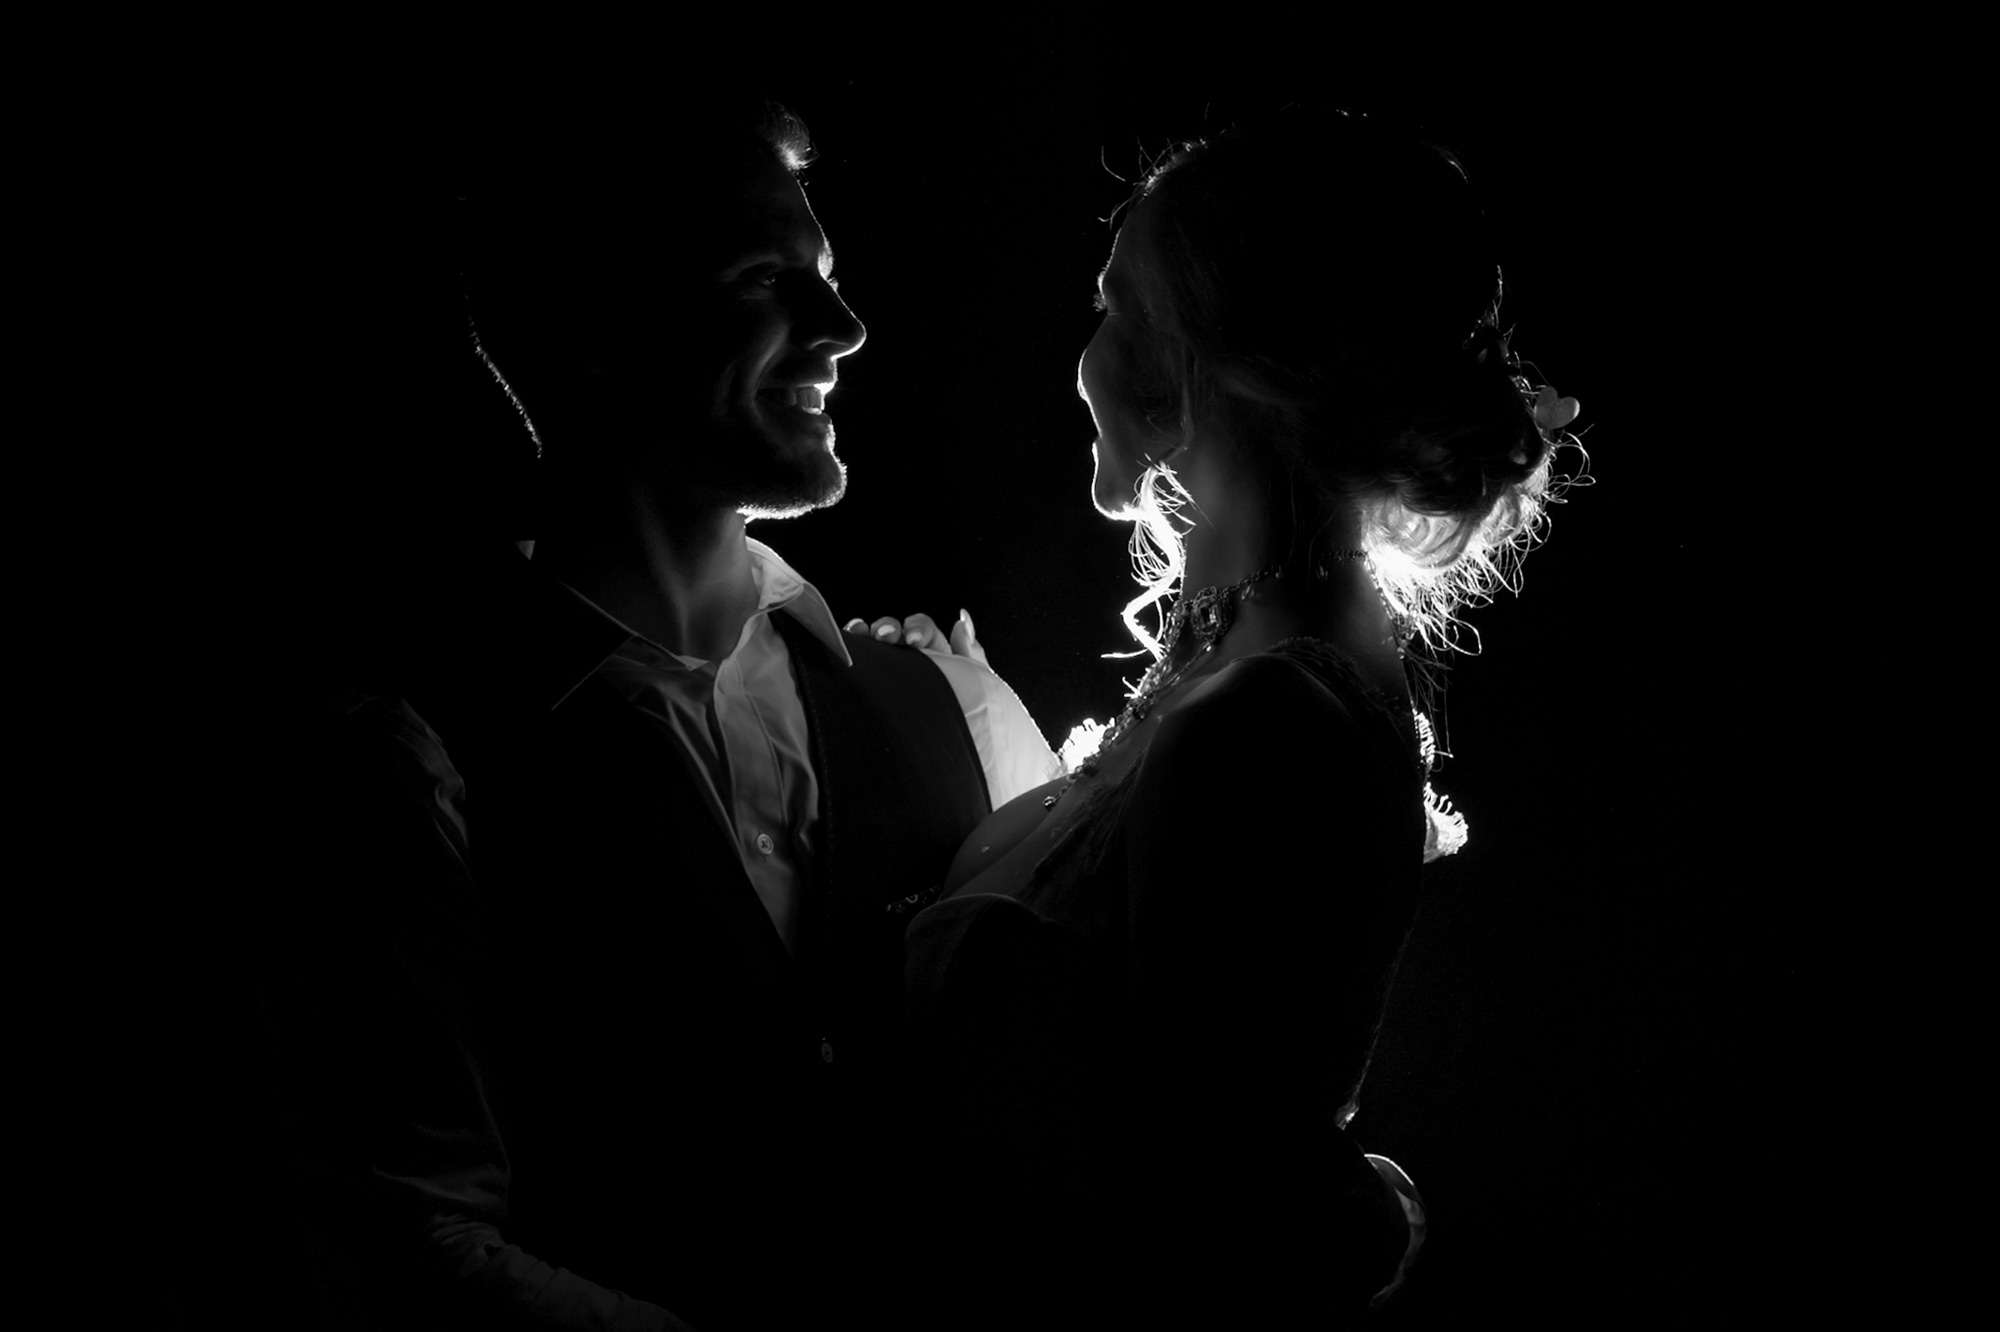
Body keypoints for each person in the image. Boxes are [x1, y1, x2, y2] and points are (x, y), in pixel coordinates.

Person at [263, 94, 1057, 1332]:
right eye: (762, 279)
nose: (842, 329)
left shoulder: (951, 706)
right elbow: (403, 1237)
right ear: (592, 329)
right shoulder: (416, 762)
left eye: (830, 278)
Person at [902, 106, 1581, 1327]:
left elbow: (1199, 1220)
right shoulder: (1242, 660)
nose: (1086, 352)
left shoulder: (1271, 720)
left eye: (1114, 307)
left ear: (1213, 360)